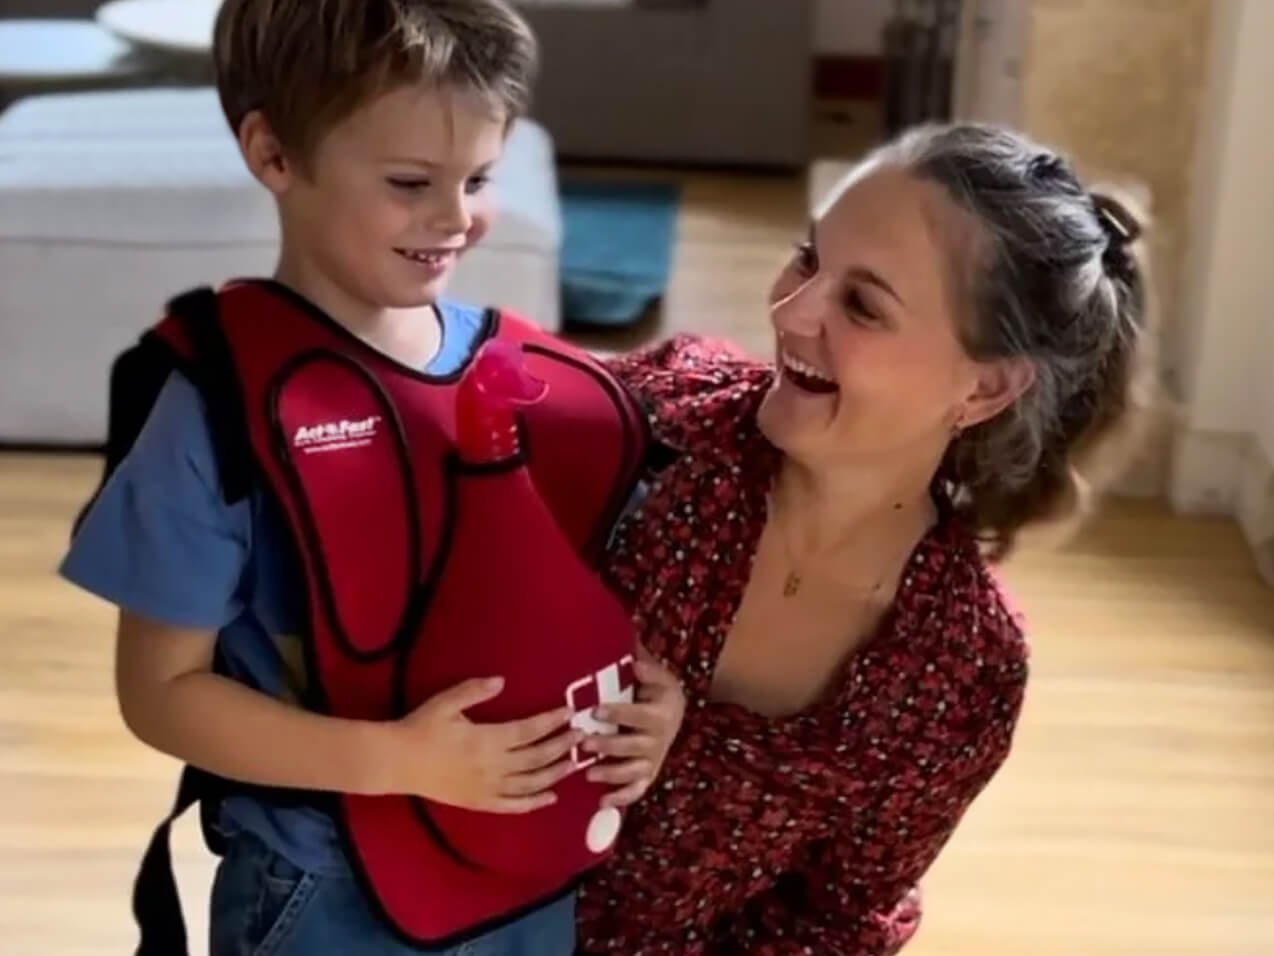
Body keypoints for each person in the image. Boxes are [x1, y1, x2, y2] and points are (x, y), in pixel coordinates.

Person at [58, 2, 682, 955]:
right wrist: (400, 760)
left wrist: (657, 702)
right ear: (273, 155)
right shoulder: (217, 408)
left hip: (540, 876)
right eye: (409, 182)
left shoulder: (532, 377)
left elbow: (594, 595)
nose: (454, 217)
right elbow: (160, 694)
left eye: (479, 178)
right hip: (327, 890)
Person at [576, 122, 1156, 953]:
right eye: (808, 258)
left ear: (984, 389)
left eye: (862, 305)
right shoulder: (654, 423)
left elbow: (831, 923)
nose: (791, 309)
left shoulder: (963, 668)